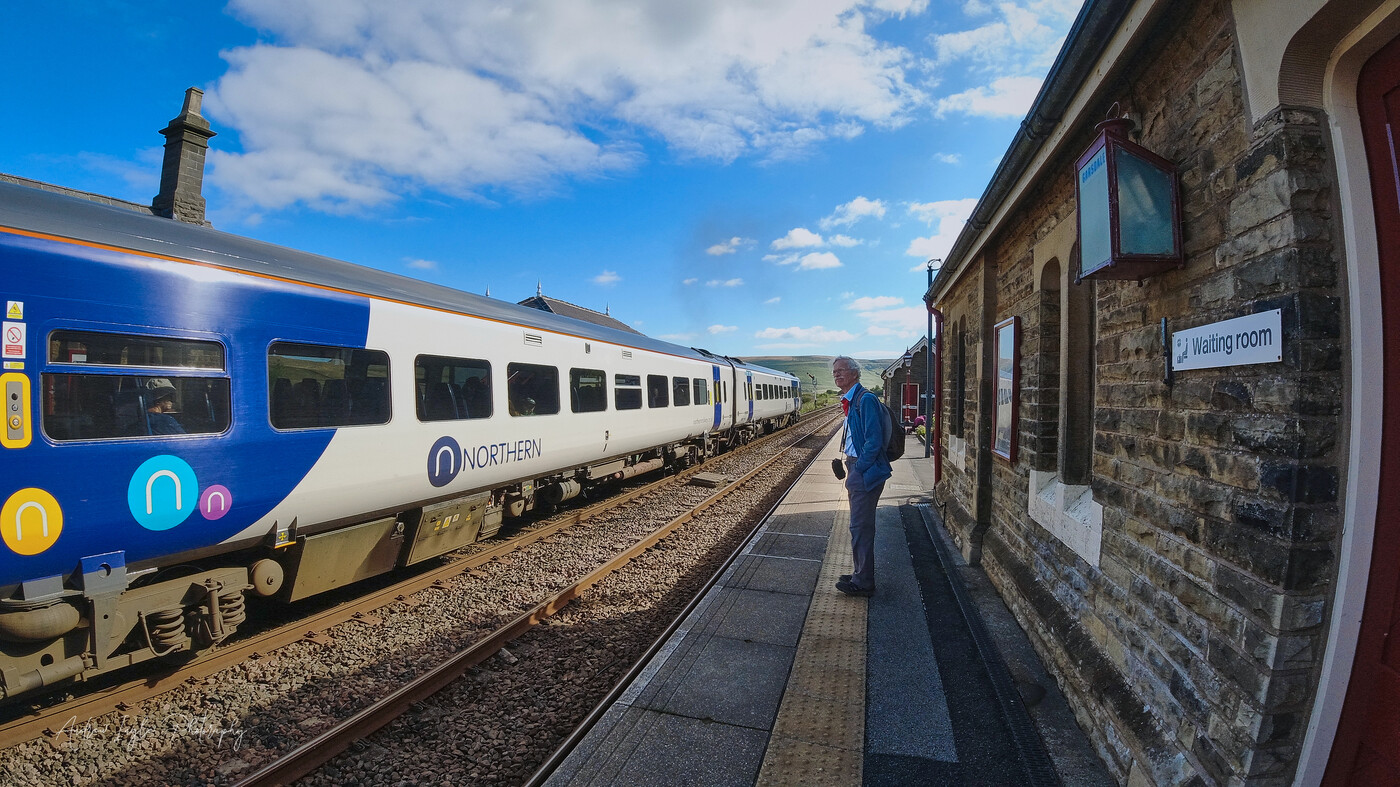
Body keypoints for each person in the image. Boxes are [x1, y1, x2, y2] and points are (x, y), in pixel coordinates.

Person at [832, 356, 890, 596]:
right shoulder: (852, 399)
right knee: (859, 527)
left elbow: (874, 441)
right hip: (856, 466)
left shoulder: (864, 400)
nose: (836, 375)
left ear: (854, 373)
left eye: (841, 371)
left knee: (860, 527)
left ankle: (863, 583)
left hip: (864, 470)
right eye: (834, 372)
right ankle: (860, 572)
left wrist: (859, 471)